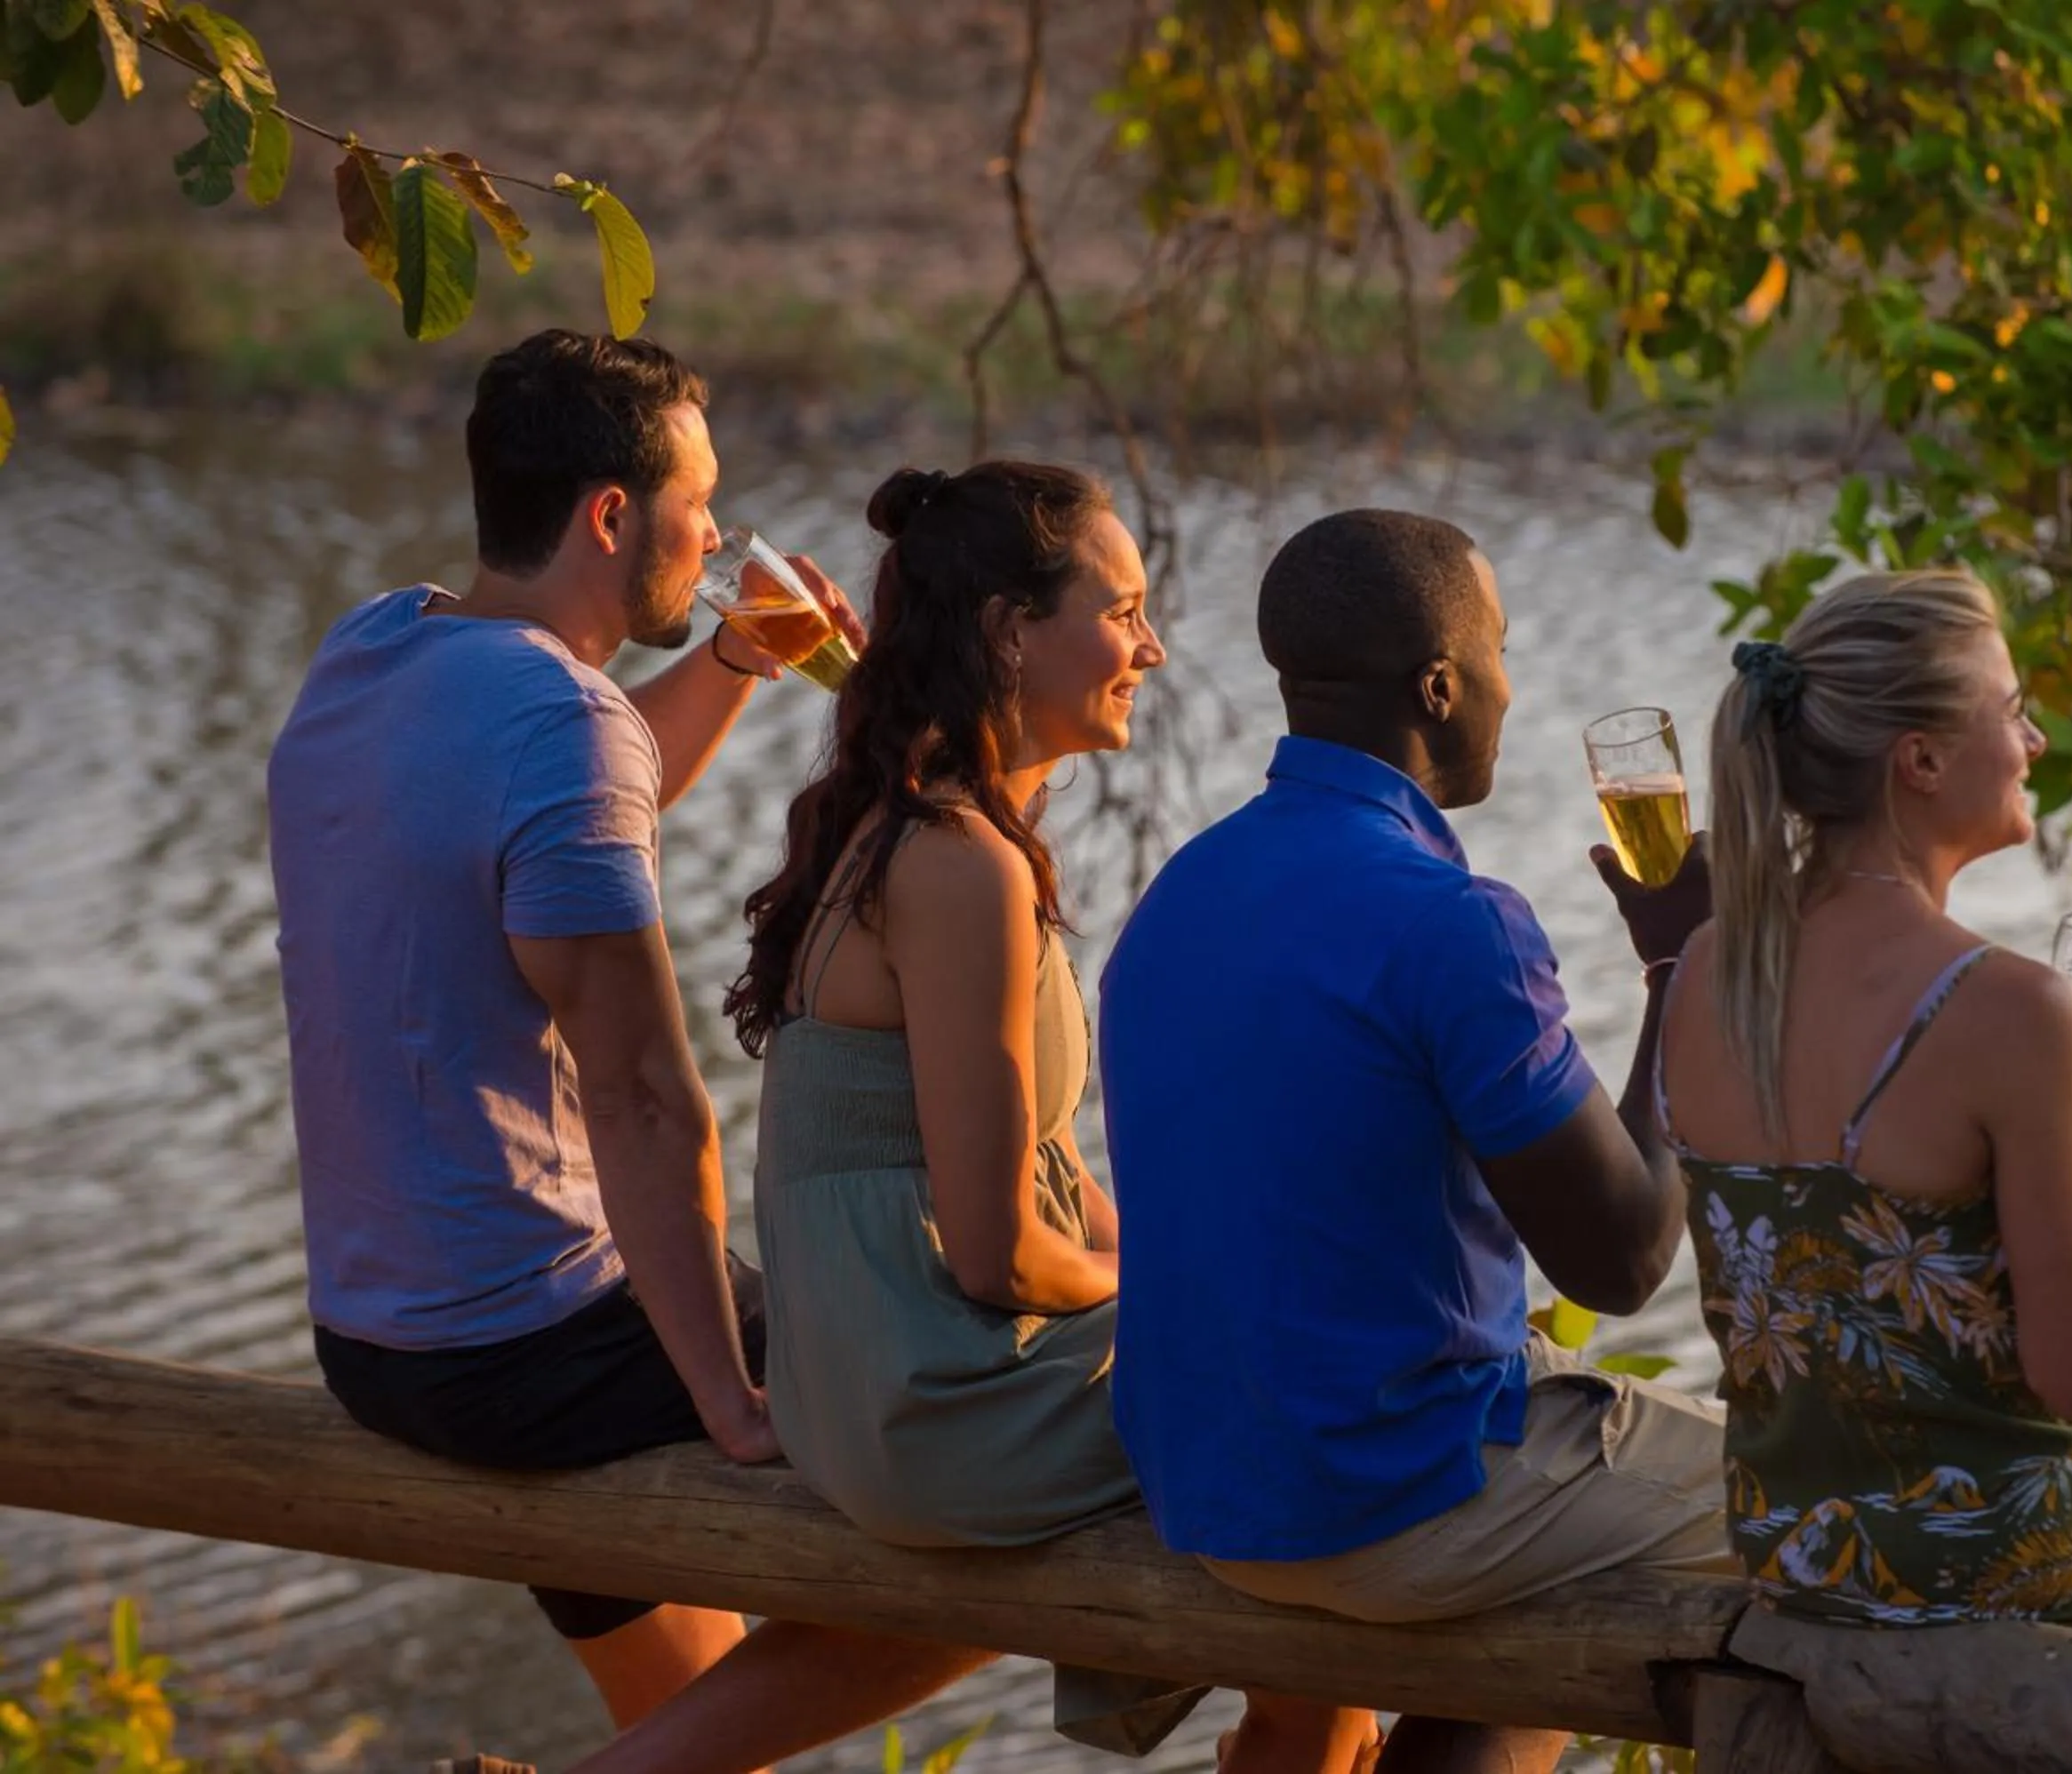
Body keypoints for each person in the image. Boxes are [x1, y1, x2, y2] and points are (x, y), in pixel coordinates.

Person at [559, 462, 1375, 1774]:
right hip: (928, 1405)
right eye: (1123, 612)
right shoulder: (960, 865)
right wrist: (1184, 1288)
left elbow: (1042, 1174)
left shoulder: (924, 831)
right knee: (1340, 1432)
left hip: (876, 1390)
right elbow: (1001, 1258)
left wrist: (1209, 1270)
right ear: (1008, 628)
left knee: (1296, 1361)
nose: (1151, 648)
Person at [268, 328, 973, 1733]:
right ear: (610, 514)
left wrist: (733, 658)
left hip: (373, 1337)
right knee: (996, 1486)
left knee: (703, 1725)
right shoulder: (558, 722)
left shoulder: (378, 647)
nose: (719, 532)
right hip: (531, 1345)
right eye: (699, 505)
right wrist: (724, 1396)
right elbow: (651, 1104)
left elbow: (586, 785)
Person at [1099, 508, 1736, 1774]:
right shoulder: (1456, 926)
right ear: (1440, 689)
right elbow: (1619, 1261)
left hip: (1209, 1491)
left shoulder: (1183, 891)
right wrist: (1682, 965)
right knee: (1817, 1502)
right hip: (1375, 1499)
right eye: (1498, 650)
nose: (1513, 682)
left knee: (1551, 1591)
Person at [1656, 568, 2072, 1653]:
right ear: (1919, 761)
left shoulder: (1700, 972)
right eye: (2014, 711)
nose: (2037, 743)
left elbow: (1861, 1352)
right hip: (2009, 1589)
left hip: (1802, 1560)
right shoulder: (2012, 1007)